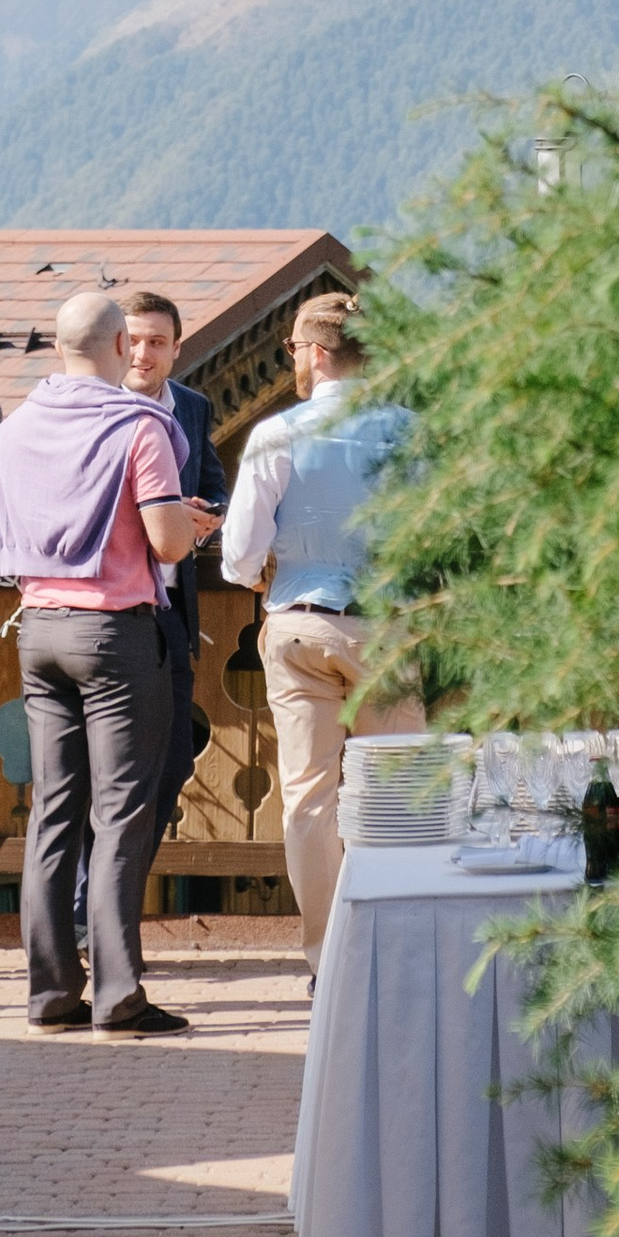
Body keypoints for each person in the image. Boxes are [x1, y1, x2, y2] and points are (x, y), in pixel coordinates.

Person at [0, 288, 217, 1036]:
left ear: (58, 349)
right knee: (121, 813)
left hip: (38, 627)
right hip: (115, 634)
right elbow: (169, 543)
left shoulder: (12, 431)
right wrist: (186, 522)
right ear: (120, 349)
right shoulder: (139, 426)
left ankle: (49, 993)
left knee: (53, 811)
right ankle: (119, 994)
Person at [219, 292, 422, 973]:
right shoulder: (411, 432)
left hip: (302, 623)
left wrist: (257, 574)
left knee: (308, 798)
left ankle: (325, 958)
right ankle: (393, 948)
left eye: (295, 352)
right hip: (388, 625)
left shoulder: (278, 433)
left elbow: (240, 549)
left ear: (315, 353)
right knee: (395, 792)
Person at [119, 289, 229, 864]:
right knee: (108, 775)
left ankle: (111, 905)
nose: (144, 353)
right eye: (133, 340)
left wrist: (206, 516)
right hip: (109, 613)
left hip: (172, 612)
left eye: (157, 342)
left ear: (176, 347)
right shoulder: (90, 408)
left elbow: (215, 484)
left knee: (174, 760)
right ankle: (88, 917)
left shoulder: (191, 405)